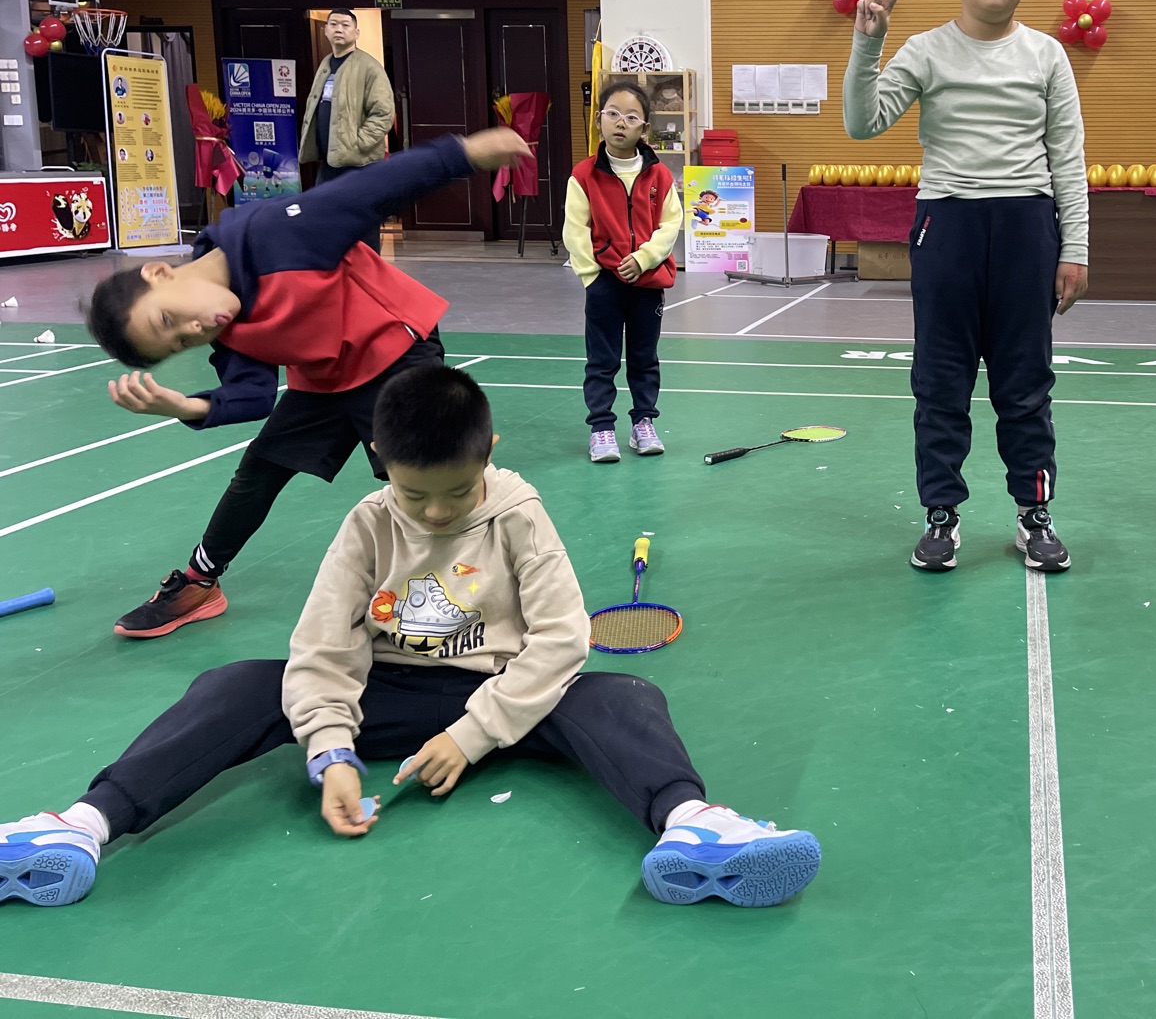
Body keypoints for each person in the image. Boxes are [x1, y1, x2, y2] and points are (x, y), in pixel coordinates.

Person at [0, 368, 821, 911]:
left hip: (500, 697)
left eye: (456, 492)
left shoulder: (520, 514)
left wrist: (472, 733)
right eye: (412, 492)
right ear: (379, 458)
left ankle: (694, 825)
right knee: (236, 683)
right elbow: (323, 649)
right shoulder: (366, 524)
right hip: (382, 695)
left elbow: (561, 640)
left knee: (624, 695)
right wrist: (330, 751)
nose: (433, 513)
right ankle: (79, 824)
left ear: (488, 453)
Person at [82, 127, 533, 639]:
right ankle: (199, 582)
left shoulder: (282, 232)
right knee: (260, 469)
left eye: (168, 319)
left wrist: (466, 153)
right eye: (180, 342)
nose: (195, 329)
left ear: (160, 273)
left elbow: (378, 186)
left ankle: (504, 583)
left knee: (428, 473)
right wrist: (185, 406)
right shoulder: (223, 323)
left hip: (394, 352)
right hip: (325, 377)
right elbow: (251, 395)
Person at [843, 0, 1089, 575]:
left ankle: (1034, 514)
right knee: (940, 383)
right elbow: (862, 124)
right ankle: (941, 516)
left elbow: (1068, 158)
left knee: (1026, 385)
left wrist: (1075, 248)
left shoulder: (1047, 54)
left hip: (1026, 228)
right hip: (946, 227)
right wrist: (868, 44)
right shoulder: (925, 49)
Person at [562, 80, 683, 463]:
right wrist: (592, 276)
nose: (620, 123)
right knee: (602, 361)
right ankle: (601, 428)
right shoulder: (583, 175)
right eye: (613, 114)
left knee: (645, 359)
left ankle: (643, 422)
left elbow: (670, 224)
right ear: (599, 119)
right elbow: (575, 230)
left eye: (631, 117)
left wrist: (644, 259)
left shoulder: (659, 176)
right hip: (604, 286)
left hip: (647, 285)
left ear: (644, 128)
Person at [299, 8, 396, 251]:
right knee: (325, 220)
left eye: (345, 25)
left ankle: (368, 271)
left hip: (359, 163)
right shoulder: (326, 64)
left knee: (363, 224)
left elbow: (383, 113)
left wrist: (359, 143)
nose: (339, 29)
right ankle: (334, 268)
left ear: (356, 32)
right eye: (333, 24)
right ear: (325, 31)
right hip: (328, 162)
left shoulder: (369, 67)